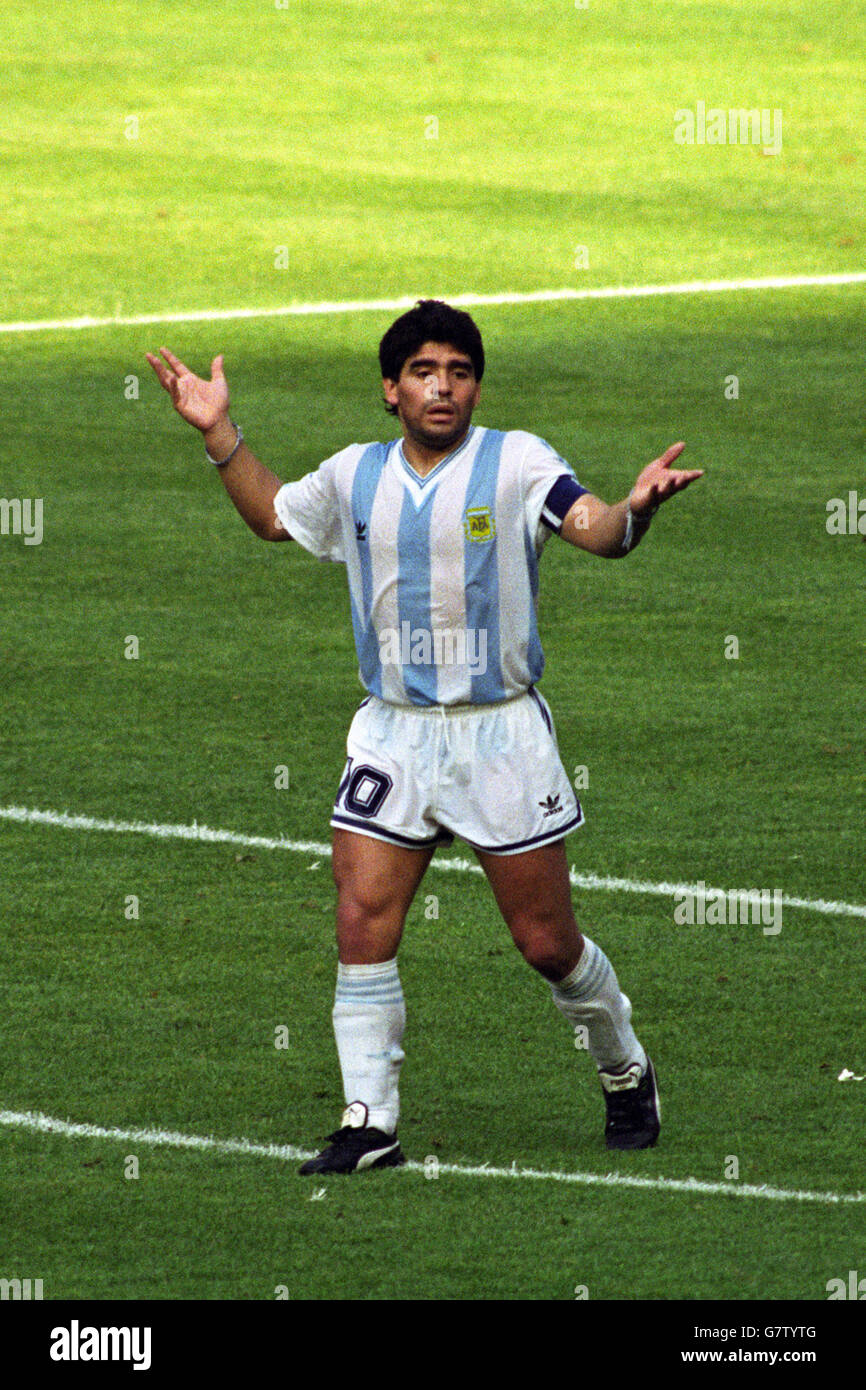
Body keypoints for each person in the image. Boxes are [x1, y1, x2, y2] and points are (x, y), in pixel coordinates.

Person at [146, 299, 702, 1174]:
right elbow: (271, 517)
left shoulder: (518, 462)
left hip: (499, 737)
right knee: (362, 920)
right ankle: (370, 1122)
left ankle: (624, 1067)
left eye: (460, 371)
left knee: (546, 944)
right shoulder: (353, 476)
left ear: (476, 384)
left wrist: (635, 510)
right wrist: (220, 435)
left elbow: (595, 528)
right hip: (394, 735)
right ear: (390, 390)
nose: (443, 388)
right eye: (423, 372)